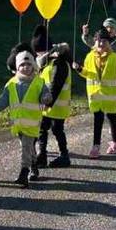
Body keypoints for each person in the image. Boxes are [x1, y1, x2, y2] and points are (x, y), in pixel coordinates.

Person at [0, 51, 50, 187]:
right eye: (22, 65)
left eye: (29, 64)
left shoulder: (39, 82)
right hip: (18, 124)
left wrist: (46, 98)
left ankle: (24, 173)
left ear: (34, 67)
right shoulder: (11, 83)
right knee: (27, 147)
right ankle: (34, 166)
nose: (26, 67)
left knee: (26, 147)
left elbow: (45, 95)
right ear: (17, 67)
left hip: (32, 123)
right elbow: (3, 100)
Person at [74, 29, 116, 156]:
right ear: (95, 41)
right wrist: (79, 69)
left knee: (112, 119)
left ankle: (114, 142)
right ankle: (96, 146)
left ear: (109, 43)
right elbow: (88, 73)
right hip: (95, 95)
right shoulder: (89, 56)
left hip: (110, 96)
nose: (101, 44)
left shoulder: (115, 57)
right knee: (97, 120)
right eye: (98, 41)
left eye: (104, 41)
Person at [36, 40, 73, 168]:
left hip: (55, 105)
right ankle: (42, 155)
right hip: (49, 104)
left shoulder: (60, 64)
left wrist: (48, 102)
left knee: (57, 130)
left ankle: (64, 156)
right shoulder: (50, 63)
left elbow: (55, 85)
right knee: (43, 129)